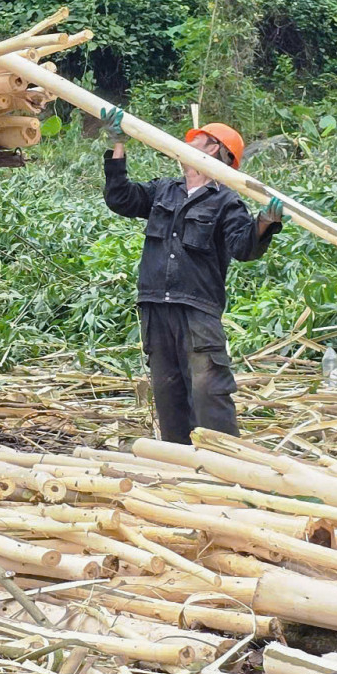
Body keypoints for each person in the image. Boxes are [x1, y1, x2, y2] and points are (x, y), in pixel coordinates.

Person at [100, 112, 283, 444]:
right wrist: (118, 143)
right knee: (168, 391)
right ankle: (179, 467)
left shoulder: (227, 202)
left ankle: (224, 464)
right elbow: (121, 198)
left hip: (196, 311)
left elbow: (244, 248)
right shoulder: (164, 191)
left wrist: (264, 223)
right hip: (156, 307)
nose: (186, 144)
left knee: (208, 390)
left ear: (213, 150)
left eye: (195, 140)